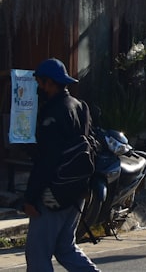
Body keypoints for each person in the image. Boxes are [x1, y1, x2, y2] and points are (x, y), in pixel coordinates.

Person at [23, 58, 100, 272]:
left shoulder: (52, 114)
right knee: (65, 248)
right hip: (77, 190)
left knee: (38, 254)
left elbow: (47, 161)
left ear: (49, 83)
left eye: (40, 82)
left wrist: (30, 197)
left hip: (53, 193)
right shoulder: (80, 107)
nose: (39, 87)